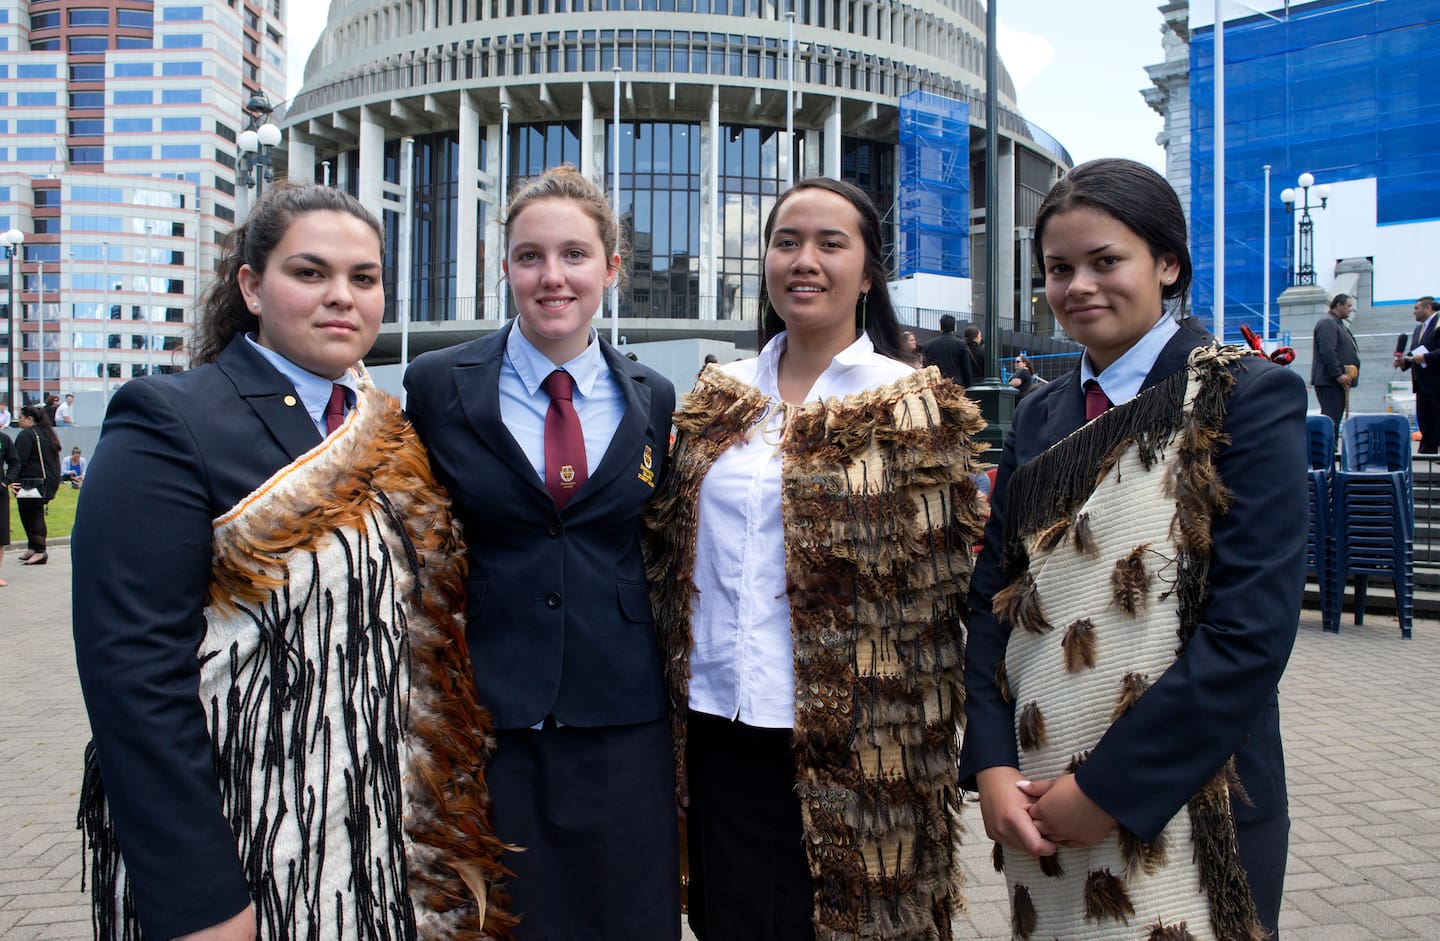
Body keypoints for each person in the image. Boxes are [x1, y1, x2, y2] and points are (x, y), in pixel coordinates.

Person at [71, 183, 513, 941]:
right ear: (250, 285)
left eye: (363, 278)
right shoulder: (171, 418)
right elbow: (133, 677)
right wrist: (198, 897)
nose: (341, 297)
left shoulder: (390, 428)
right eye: (309, 273)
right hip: (245, 839)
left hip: (379, 837)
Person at [959, 158, 1306, 940]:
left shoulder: (1243, 397)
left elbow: (1250, 633)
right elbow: (991, 604)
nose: (1079, 285)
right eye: (1058, 268)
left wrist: (1109, 788)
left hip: (1190, 792)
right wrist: (989, 767)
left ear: (1168, 263)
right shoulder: (1041, 415)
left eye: (1105, 261)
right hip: (1039, 795)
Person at [646, 177, 988, 940]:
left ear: (868, 273)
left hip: (858, 743)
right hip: (717, 724)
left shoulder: (911, 402)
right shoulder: (720, 394)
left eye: (831, 243)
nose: (805, 260)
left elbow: (939, 592)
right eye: (787, 241)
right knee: (729, 918)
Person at [404, 165, 680, 941]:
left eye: (574, 255)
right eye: (530, 256)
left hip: (622, 710)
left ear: (611, 269)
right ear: (505, 269)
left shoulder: (653, 394)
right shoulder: (438, 385)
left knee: (627, 918)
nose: (552, 276)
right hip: (492, 708)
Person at [9, 404, 61, 565]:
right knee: (33, 512)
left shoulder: (27, 435)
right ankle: (33, 547)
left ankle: (39, 550)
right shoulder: (47, 434)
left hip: (31, 481)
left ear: (29, 419)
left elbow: (19, 460)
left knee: (32, 514)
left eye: (21, 418)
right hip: (47, 480)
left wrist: (11, 479)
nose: (19, 422)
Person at [1312, 292, 1360, 438]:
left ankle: (1330, 451)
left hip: (1335, 382)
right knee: (1330, 420)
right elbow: (1327, 350)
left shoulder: (1337, 323)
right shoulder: (1327, 323)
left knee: (1334, 420)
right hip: (1329, 381)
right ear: (1338, 305)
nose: (1351, 309)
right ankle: (1327, 453)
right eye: (1348, 306)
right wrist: (1338, 374)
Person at [1397, 295, 1439, 453]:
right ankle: (1427, 452)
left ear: (1428, 308)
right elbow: (1415, 352)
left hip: (1436, 382)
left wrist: (1426, 358)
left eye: (1417, 308)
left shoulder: (1438, 325)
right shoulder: (1418, 330)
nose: (1414, 312)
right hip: (1422, 383)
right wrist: (1404, 362)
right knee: (1425, 420)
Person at [922, 312, 972, 385]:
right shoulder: (961, 344)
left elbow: (926, 368)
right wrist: (968, 383)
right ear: (954, 327)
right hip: (956, 385)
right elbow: (966, 368)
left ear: (940, 327)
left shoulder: (929, 345)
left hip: (937, 385)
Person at [0, 429, 18, 587]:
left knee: (0, 535)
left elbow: (14, 462)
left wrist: (6, 481)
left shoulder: (4, 440)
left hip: (0, 494)